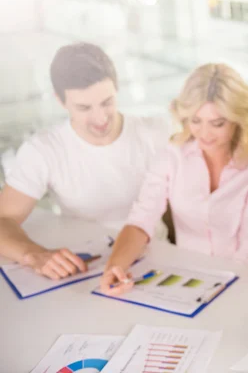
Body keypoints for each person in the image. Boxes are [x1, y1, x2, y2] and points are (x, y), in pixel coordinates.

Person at [100, 63, 248, 295]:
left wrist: (213, 293)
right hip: (182, 280)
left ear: (238, 120)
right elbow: (141, 219)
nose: (205, 134)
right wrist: (115, 267)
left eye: (217, 123)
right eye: (196, 121)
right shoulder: (172, 155)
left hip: (239, 284)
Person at [0, 42, 169, 280]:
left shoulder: (156, 133)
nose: (100, 118)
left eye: (107, 102)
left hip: (159, 259)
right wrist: (34, 255)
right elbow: (3, 219)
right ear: (60, 101)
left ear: (117, 88)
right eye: (84, 107)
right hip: (83, 268)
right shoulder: (44, 149)